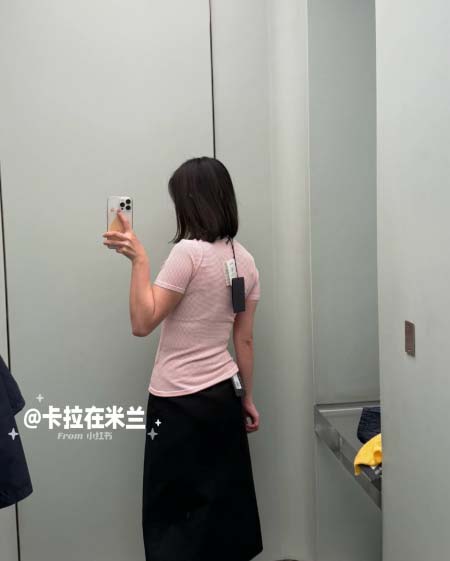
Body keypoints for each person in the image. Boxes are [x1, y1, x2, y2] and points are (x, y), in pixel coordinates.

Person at [102, 156, 263, 561]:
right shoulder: (245, 261)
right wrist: (246, 398)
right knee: (220, 510)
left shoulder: (188, 254)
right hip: (223, 398)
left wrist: (139, 260)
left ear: (192, 201)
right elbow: (243, 339)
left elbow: (142, 322)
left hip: (177, 403)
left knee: (172, 515)